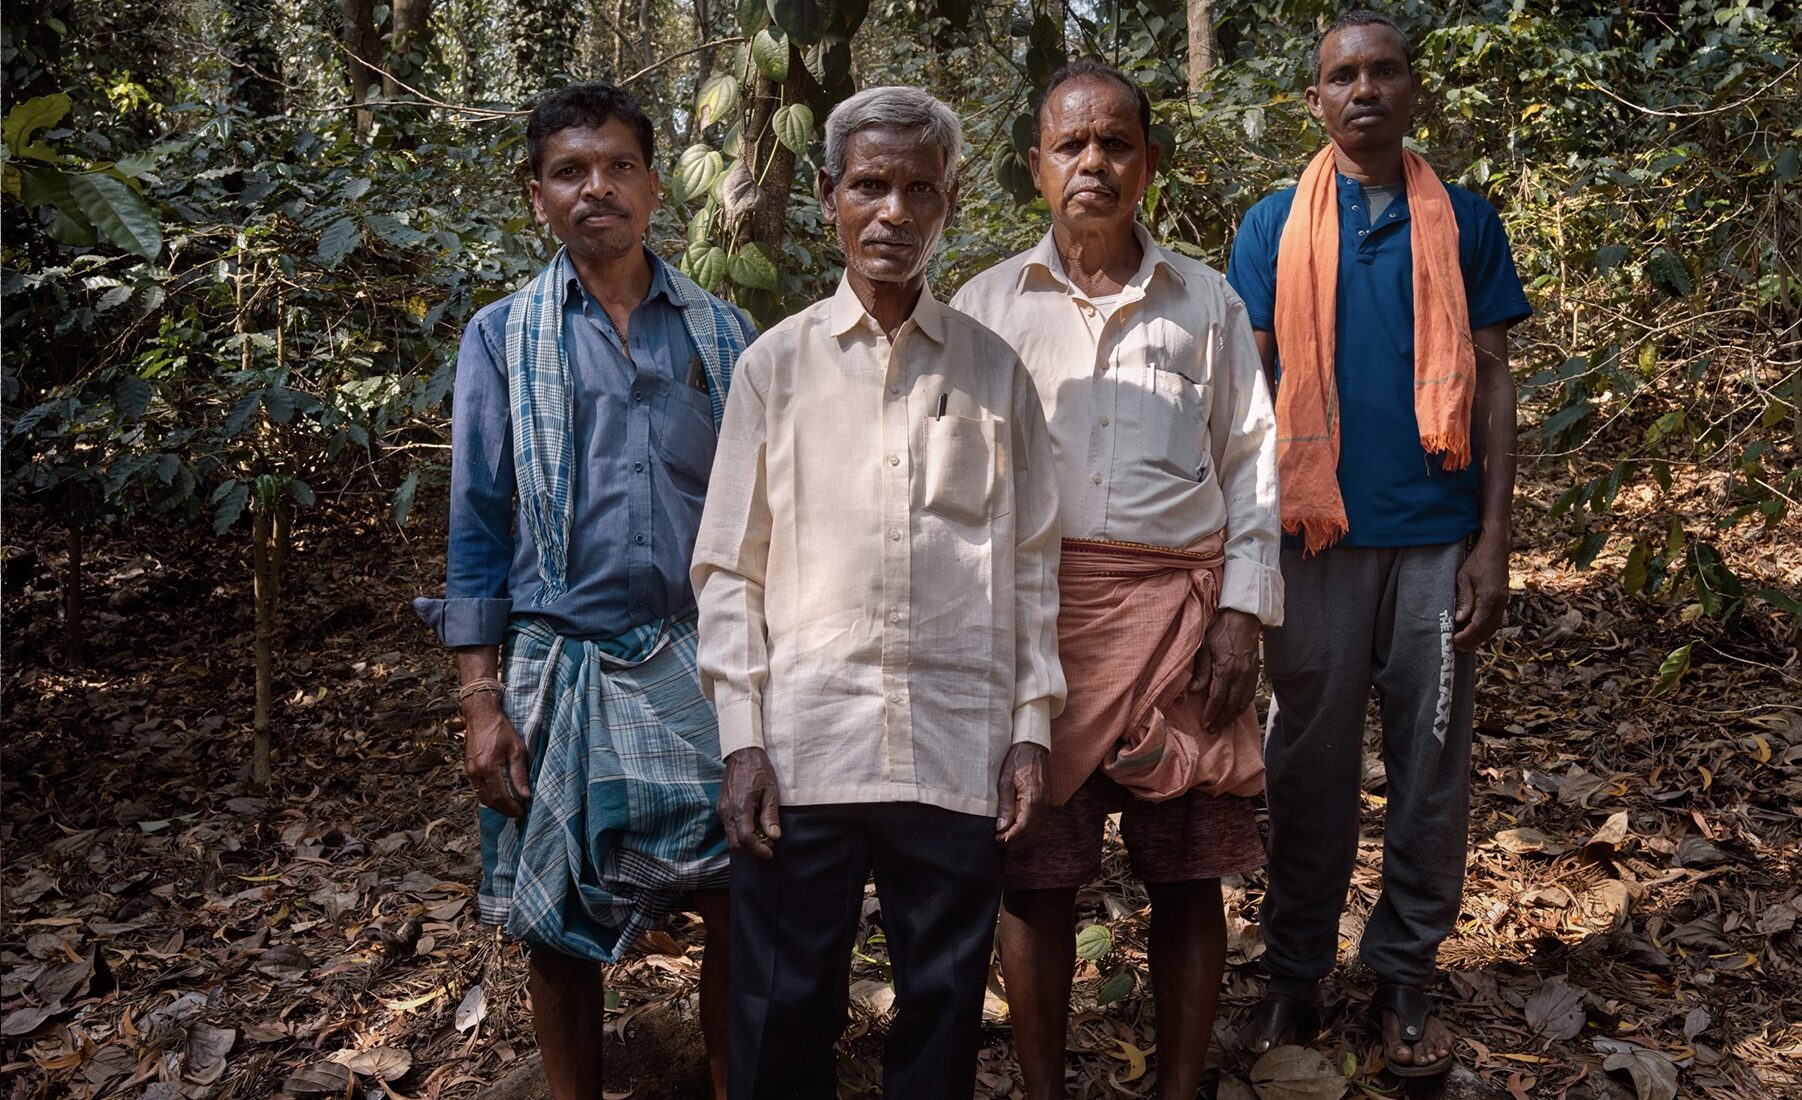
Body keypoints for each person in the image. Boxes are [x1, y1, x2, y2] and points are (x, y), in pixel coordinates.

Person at [692, 85, 1065, 1100]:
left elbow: (1032, 563)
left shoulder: (995, 373)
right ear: (828, 197)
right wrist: (742, 737)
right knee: (780, 1005)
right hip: (803, 745)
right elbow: (728, 566)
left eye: (918, 189)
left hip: (953, 742)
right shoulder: (775, 367)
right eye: (868, 186)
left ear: (949, 202)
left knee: (942, 1007)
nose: (893, 212)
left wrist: (1030, 727)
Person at [413, 82, 756, 1100]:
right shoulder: (502, 336)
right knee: (556, 927)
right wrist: (481, 703)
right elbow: (477, 526)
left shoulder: (726, 333)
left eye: (618, 167)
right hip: (557, 662)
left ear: (654, 186)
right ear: (537, 195)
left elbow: (767, 515)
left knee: (740, 900)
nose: (595, 188)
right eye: (569, 171)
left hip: (703, 658)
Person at [953, 60, 1282, 1100]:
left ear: (1148, 162)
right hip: (1036, 628)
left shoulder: (1206, 302)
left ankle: (1179, 1086)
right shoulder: (982, 307)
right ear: (1036, 166)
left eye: (1115, 143)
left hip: (1182, 630)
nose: (1092, 161)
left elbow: (1251, 459)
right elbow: (951, 485)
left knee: (1187, 873)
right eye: (1070, 144)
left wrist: (1241, 613)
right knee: (1034, 878)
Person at [1226, 10, 1531, 1079]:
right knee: (1304, 767)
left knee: (1428, 765)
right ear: (1314, 100)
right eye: (1342, 75)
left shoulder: (1466, 220)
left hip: (1435, 540)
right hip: (1311, 537)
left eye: (1383, 70)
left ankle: (1404, 970)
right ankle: (1294, 972)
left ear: (1413, 89)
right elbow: (1246, 398)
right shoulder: (1271, 226)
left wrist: (1493, 540)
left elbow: (1490, 380)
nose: (1363, 89)